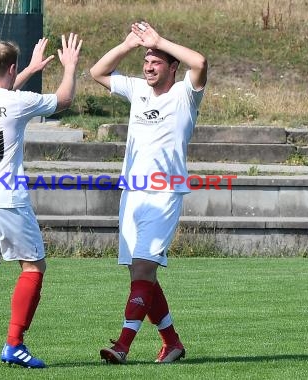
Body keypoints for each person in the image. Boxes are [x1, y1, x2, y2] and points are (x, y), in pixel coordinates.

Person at [0, 34, 82, 370]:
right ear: (10, 68)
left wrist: (27, 69)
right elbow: (64, 99)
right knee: (33, 266)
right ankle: (14, 344)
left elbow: (2, 95)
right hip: (6, 196)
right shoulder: (18, 102)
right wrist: (69, 67)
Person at [90, 21, 207, 364]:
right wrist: (128, 45)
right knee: (142, 273)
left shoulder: (185, 93)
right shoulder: (137, 89)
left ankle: (122, 346)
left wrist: (159, 40)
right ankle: (172, 343)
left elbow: (199, 62)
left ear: (173, 67)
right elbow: (97, 71)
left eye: (156, 61)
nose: (149, 66)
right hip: (132, 194)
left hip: (163, 195)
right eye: (146, 61)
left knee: (142, 270)